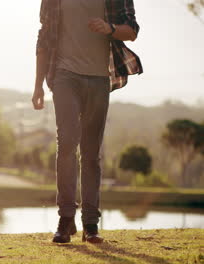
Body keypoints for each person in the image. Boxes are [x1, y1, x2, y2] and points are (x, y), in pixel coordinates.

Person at [32, 0, 142, 243]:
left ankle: (90, 224)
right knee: (68, 143)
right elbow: (45, 36)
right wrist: (38, 84)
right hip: (64, 75)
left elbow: (131, 30)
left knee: (91, 153)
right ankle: (66, 219)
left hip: (99, 79)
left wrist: (110, 28)